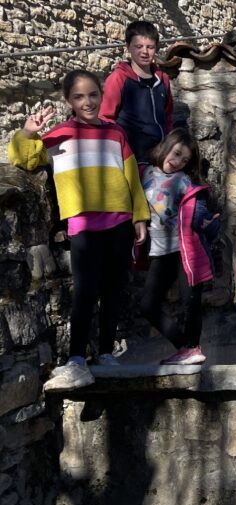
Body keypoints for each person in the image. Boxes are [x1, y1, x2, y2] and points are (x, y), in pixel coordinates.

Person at [9, 70, 150, 390]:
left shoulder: (116, 133)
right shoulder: (60, 135)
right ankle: (76, 357)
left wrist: (140, 216)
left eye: (92, 95)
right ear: (68, 101)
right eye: (78, 97)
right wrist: (28, 132)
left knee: (113, 289)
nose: (87, 102)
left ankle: (106, 352)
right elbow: (24, 159)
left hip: (120, 222)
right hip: (83, 224)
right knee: (85, 291)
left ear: (101, 95)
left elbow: (131, 178)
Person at [140, 128, 220, 365]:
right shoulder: (144, 172)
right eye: (176, 154)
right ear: (166, 147)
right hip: (159, 251)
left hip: (185, 248)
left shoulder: (184, 181)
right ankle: (186, 347)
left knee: (190, 300)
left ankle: (192, 347)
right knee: (148, 305)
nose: (177, 162)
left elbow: (200, 210)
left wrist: (207, 223)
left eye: (184, 160)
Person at [100, 20, 175, 164]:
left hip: (160, 157)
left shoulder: (163, 79)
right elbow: (105, 117)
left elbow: (168, 116)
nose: (145, 52)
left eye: (150, 47)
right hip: (131, 158)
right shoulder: (118, 78)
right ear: (128, 46)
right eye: (138, 46)